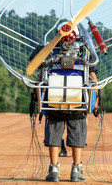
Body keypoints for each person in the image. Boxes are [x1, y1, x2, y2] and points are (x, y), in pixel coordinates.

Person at [29, 24, 98, 182]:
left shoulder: (48, 55)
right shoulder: (85, 56)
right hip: (78, 106)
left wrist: (40, 105)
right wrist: (95, 103)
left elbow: (40, 80)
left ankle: (54, 169)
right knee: (78, 136)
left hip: (53, 105)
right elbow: (93, 81)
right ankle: (76, 169)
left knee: (53, 136)